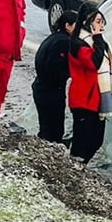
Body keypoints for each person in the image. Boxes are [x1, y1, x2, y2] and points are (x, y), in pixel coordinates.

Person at [67, 7, 112, 164]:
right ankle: (75, 168)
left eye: (102, 22)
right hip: (83, 99)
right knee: (82, 142)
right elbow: (94, 62)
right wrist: (99, 39)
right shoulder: (78, 43)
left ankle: (80, 166)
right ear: (88, 22)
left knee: (96, 140)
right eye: (98, 22)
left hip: (95, 98)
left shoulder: (92, 41)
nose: (102, 26)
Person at [32, 9, 78, 143]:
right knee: (53, 129)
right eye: (77, 25)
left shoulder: (55, 37)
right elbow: (53, 67)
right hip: (50, 91)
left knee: (47, 127)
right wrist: (69, 74)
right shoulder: (63, 42)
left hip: (42, 88)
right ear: (68, 26)